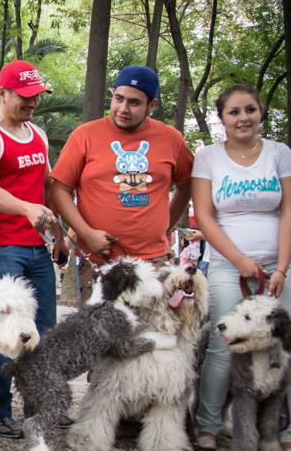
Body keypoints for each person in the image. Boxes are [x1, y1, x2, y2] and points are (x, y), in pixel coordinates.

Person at [191, 83, 291, 451]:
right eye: (234, 112)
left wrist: (283, 267)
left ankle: (288, 433)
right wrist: (239, 259)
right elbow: (205, 216)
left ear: (260, 113)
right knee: (223, 345)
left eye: (250, 110)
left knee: (284, 350)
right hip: (227, 264)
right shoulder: (208, 157)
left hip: (280, 264)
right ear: (221, 119)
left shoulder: (279, 154)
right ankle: (207, 424)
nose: (243, 118)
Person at [0, 60, 67, 440]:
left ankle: (41, 406)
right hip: (1, 245)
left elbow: (45, 187)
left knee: (43, 330)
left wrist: (61, 232)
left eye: (36, 96)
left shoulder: (38, 134)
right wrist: (25, 209)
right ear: (3, 93)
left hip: (36, 247)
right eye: (24, 97)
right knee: (4, 333)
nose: (32, 103)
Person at [50, 65, 194, 299]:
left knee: (151, 334)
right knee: (100, 333)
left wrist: (166, 224)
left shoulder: (171, 139)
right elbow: (60, 190)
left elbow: (187, 183)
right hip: (100, 260)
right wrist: (86, 233)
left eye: (134, 103)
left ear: (152, 105)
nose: (123, 109)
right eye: (119, 98)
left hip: (152, 261)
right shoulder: (85, 135)